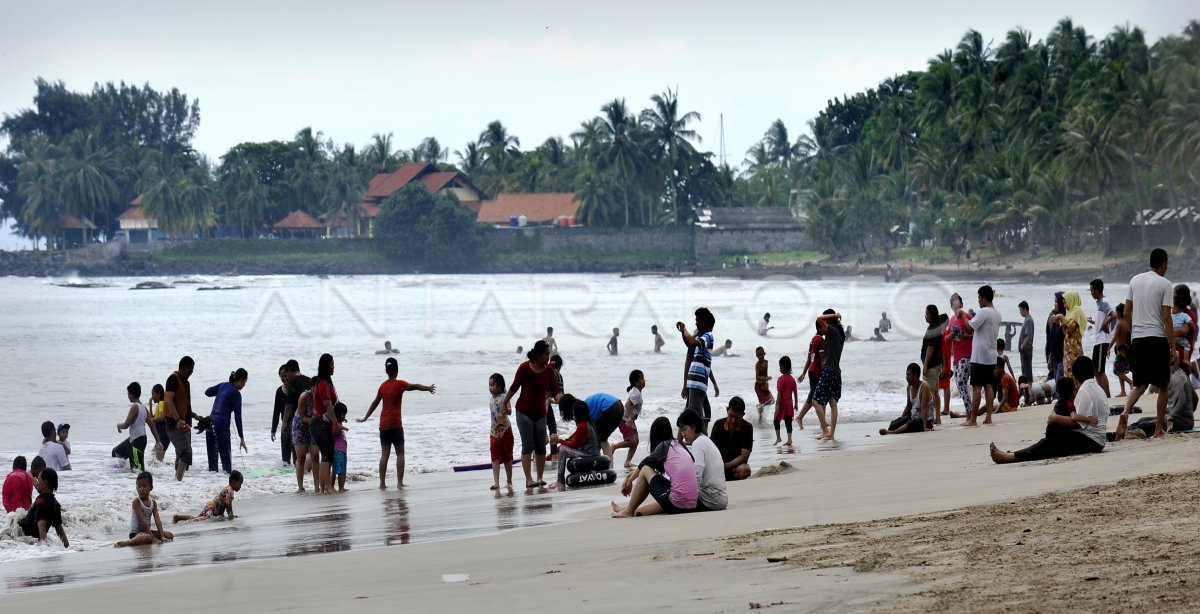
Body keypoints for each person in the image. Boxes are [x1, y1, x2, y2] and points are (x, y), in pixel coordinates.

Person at [990, 356, 1106, 463]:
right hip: (1097, 439)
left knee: (1047, 444)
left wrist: (1054, 418)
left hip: (1091, 440)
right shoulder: (1099, 389)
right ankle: (1014, 454)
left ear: (1076, 374)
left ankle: (1010, 457)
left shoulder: (1084, 391)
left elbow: (1078, 424)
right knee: (1050, 442)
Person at [1116, 248, 1175, 439]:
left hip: (1138, 340)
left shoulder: (1135, 280)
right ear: (1164, 264)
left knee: (1139, 385)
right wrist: (1172, 346)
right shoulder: (1166, 284)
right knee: (1163, 386)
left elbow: (1126, 313)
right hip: (1157, 339)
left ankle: (1125, 412)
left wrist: (1135, 333)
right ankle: (1158, 429)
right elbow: (1166, 317)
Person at [357, 357, 436, 490]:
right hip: (395, 424)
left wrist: (365, 417)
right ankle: (399, 483)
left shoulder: (382, 386)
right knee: (400, 453)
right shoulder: (400, 384)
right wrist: (428, 388)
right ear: (397, 370)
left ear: (386, 371)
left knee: (384, 454)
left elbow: (375, 403)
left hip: (383, 425)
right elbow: (416, 386)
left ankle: (382, 484)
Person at [501, 341, 563, 489]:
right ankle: (529, 479)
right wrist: (504, 403)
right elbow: (514, 387)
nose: (549, 357)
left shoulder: (548, 371)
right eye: (546, 354)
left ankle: (540, 477)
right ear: (539, 355)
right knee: (528, 445)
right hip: (523, 412)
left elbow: (556, 392)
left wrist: (565, 402)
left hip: (540, 413)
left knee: (541, 446)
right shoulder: (524, 368)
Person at [610, 416, 697, 518]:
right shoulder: (679, 444)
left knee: (646, 469)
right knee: (669, 490)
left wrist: (629, 481)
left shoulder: (664, 445)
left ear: (655, 435)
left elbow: (644, 465)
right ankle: (629, 508)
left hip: (677, 504)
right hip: (692, 503)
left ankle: (628, 511)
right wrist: (629, 476)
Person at [956, 285, 1001, 427]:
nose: (978, 300)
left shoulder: (983, 312)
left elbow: (970, 326)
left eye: (979, 298)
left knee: (976, 387)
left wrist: (963, 314)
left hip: (979, 355)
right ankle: (988, 417)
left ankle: (973, 419)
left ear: (984, 297)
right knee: (988, 386)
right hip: (991, 354)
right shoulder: (997, 313)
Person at [1126, 353, 1194, 437]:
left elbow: (1182, 400)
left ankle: (1130, 433)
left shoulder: (1178, 377)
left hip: (1183, 421)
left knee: (1149, 424)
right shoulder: (1178, 374)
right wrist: (1173, 410)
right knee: (1143, 419)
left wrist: (1172, 417)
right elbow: (1195, 398)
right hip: (1179, 417)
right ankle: (1125, 430)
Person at [677, 307, 719, 432]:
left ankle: (700, 443)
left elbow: (692, 342)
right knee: (690, 415)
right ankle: (680, 443)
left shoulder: (708, 336)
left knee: (695, 416)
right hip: (693, 382)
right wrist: (683, 332)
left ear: (705, 321)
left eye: (698, 320)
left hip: (697, 382)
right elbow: (689, 344)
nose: (696, 322)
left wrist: (685, 330)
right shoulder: (699, 341)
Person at [677, 409, 728, 511]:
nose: (683, 434)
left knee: (672, 494)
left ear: (694, 427)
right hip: (720, 497)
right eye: (681, 430)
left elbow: (696, 475)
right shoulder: (705, 440)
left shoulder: (698, 443)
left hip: (712, 497)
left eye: (685, 429)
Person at [204, 369, 249, 474]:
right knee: (226, 463)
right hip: (221, 423)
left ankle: (210, 484)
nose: (244, 385)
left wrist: (221, 390)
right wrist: (241, 437)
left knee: (212, 463)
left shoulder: (223, 385)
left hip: (209, 421)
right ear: (241, 380)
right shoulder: (237, 394)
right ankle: (226, 483)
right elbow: (238, 418)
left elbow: (207, 392)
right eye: (245, 382)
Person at [549, 399, 600, 490]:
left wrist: (559, 440)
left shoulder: (582, 425)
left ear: (578, 414)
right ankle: (560, 480)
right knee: (562, 447)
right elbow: (572, 438)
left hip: (590, 455)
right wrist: (559, 441)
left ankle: (560, 481)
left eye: (573, 413)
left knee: (562, 449)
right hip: (591, 453)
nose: (573, 416)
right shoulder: (587, 423)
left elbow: (574, 444)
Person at [811, 310, 846, 440]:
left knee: (815, 401)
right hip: (837, 372)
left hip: (829, 371)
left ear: (829, 321)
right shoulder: (840, 334)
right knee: (832, 403)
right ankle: (831, 434)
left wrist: (834, 316)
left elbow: (819, 317)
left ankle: (825, 430)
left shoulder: (832, 330)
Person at [114, 472, 173, 547]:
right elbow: (142, 521)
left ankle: (152, 536)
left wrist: (162, 536)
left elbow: (157, 521)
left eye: (144, 486)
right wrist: (153, 537)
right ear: (136, 488)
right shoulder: (136, 502)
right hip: (135, 534)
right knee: (147, 537)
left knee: (169, 535)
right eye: (139, 486)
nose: (141, 489)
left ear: (151, 488)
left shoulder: (153, 502)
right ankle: (127, 543)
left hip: (147, 531)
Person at [113, 381, 160, 471]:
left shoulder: (134, 407)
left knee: (137, 469)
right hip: (135, 440)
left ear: (131, 394)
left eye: (128, 394)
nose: (128, 396)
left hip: (138, 442)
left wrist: (119, 425)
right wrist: (158, 441)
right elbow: (152, 426)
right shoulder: (144, 408)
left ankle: (142, 480)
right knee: (116, 451)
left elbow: (126, 425)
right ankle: (119, 474)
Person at [310, 353, 340, 493]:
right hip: (320, 423)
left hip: (320, 423)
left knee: (327, 454)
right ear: (326, 366)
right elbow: (328, 405)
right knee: (327, 454)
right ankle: (328, 486)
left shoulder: (324, 383)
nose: (334, 367)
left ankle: (324, 487)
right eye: (332, 364)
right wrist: (336, 423)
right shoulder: (323, 384)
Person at [879, 363, 934, 435]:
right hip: (913, 417)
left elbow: (924, 408)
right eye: (906, 375)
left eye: (908, 375)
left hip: (925, 421)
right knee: (893, 425)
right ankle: (893, 430)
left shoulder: (924, 386)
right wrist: (901, 420)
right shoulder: (909, 387)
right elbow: (908, 406)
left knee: (911, 424)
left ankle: (892, 432)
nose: (906, 377)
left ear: (916, 375)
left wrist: (925, 427)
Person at [164, 356, 195, 481]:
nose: (192, 373)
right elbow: (169, 400)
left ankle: (176, 483)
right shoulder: (173, 379)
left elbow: (185, 404)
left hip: (184, 423)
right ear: (184, 368)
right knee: (186, 452)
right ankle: (178, 480)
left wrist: (194, 415)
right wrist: (177, 419)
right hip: (174, 423)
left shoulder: (185, 382)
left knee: (180, 454)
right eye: (190, 370)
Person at [288, 362, 317, 493]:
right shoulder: (304, 396)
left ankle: (317, 486)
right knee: (301, 458)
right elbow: (302, 417)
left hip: (312, 426)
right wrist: (316, 420)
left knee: (315, 456)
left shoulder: (322, 397)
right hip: (299, 425)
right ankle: (300, 487)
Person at [19, 468, 67, 547]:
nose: (37, 482)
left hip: (22, 538)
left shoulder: (41, 502)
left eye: (39, 479)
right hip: (27, 540)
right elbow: (59, 529)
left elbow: (42, 529)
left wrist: (43, 550)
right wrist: (67, 546)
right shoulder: (56, 504)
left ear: (45, 482)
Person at [173, 470, 243, 523]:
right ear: (234, 481)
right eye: (239, 484)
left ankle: (178, 517)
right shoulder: (229, 491)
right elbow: (228, 507)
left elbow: (224, 506)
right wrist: (231, 517)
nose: (240, 487)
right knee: (198, 520)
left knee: (197, 518)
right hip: (211, 508)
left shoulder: (229, 489)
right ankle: (178, 518)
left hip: (211, 506)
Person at [709, 397, 753, 480]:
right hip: (718, 466)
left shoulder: (747, 427)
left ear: (743, 415)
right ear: (727, 410)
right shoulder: (718, 424)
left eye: (737, 418)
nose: (733, 420)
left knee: (745, 470)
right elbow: (711, 450)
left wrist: (726, 466)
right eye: (731, 416)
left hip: (735, 467)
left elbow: (744, 456)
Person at [946, 293, 974, 418]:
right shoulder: (952, 319)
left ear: (962, 305)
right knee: (959, 384)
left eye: (958, 306)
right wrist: (950, 336)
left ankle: (970, 413)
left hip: (967, 355)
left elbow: (975, 334)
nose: (956, 309)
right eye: (954, 306)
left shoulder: (967, 316)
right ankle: (970, 409)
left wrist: (966, 336)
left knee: (962, 382)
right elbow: (946, 338)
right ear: (951, 307)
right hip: (956, 357)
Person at [611, 370, 644, 468]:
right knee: (632, 441)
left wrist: (631, 419)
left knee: (636, 441)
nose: (644, 380)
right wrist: (630, 418)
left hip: (629, 419)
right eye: (642, 378)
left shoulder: (637, 391)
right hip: (624, 419)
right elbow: (628, 404)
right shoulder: (636, 393)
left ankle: (627, 462)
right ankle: (614, 446)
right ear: (636, 382)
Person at [1088, 280, 1116, 397]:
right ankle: (1103, 395)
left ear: (1096, 290)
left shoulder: (1104, 303)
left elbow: (1114, 315)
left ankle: (1107, 396)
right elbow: (1104, 319)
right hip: (1099, 340)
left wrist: (1105, 325)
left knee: (1099, 370)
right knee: (1095, 370)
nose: (1091, 293)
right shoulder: (1099, 303)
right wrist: (1095, 322)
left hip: (1102, 340)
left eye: (1091, 290)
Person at [487, 373, 513, 491]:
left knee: (507, 457)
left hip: (505, 431)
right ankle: (496, 482)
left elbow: (510, 412)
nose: (490, 388)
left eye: (492, 385)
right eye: (489, 385)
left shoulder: (505, 396)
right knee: (494, 456)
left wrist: (506, 409)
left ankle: (509, 481)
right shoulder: (491, 400)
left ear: (499, 385)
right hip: (493, 432)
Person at [921, 305, 948, 422]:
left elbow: (930, 348)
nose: (925, 316)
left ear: (932, 315)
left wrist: (925, 364)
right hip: (937, 364)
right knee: (935, 392)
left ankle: (929, 418)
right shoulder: (936, 326)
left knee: (930, 393)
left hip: (932, 365)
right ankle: (937, 418)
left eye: (927, 313)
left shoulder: (933, 328)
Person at [796, 322, 824, 429]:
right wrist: (824, 373)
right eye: (824, 325)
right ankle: (800, 417)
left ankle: (822, 422)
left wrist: (803, 373)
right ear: (820, 327)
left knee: (817, 397)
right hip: (817, 372)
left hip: (811, 372)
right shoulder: (820, 340)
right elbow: (822, 359)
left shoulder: (813, 339)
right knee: (814, 397)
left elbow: (809, 358)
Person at [1057, 291, 1087, 380]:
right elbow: (1065, 332)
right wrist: (1061, 321)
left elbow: (1070, 329)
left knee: (1074, 374)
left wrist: (1062, 318)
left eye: (1066, 302)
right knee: (1068, 374)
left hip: (1074, 350)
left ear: (1072, 300)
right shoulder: (1069, 313)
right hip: (1068, 350)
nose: (1064, 304)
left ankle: (1077, 393)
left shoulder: (1077, 311)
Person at [270, 364, 294, 465]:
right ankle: (286, 479)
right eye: (282, 376)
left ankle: (301, 477)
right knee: (285, 458)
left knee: (297, 456)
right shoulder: (279, 391)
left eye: (286, 375)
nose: (284, 378)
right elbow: (276, 411)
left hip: (296, 425)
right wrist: (273, 430)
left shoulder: (294, 389)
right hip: (284, 425)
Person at [774, 356, 797, 447]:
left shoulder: (781, 379)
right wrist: (796, 404)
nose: (779, 368)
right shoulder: (792, 379)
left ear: (782, 367)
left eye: (780, 366)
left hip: (782, 404)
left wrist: (777, 404)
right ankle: (789, 439)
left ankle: (778, 437)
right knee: (788, 422)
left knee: (776, 420)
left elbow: (779, 393)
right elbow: (795, 392)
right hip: (790, 404)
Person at [1111, 303, 1133, 397]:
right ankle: (1123, 391)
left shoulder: (1120, 324)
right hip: (1125, 349)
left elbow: (1115, 337)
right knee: (1121, 370)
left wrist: (1108, 348)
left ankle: (1130, 382)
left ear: (1119, 313)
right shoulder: (1127, 322)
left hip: (1121, 350)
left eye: (1116, 311)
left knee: (1116, 371)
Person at [1171, 286, 1195, 367]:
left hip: (1182, 356)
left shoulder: (1188, 314)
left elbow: (1181, 331)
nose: (1172, 296)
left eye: (1174, 293)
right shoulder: (1174, 313)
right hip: (1174, 354)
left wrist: (1165, 331)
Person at [1046, 293, 1066, 380]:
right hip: (1056, 356)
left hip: (1064, 357)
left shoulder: (1067, 317)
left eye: (1056, 301)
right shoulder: (1053, 317)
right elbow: (1051, 339)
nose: (1055, 304)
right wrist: (1050, 357)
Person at [148, 383, 169, 461]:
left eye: (153, 394)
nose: (152, 396)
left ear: (159, 394)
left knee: (153, 460)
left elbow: (161, 418)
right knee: (158, 461)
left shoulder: (161, 403)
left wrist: (149, 420)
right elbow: (153, 418)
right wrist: (150, 406)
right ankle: (162, 473)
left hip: (163, 435)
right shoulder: (160, 404)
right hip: (164, 436)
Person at [753, 346, 774, 420]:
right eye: (758, 355)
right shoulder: (757, 365)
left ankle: (760, 406)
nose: (760, 356)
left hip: (764, 386)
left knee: (772, 401)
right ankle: (760, 420)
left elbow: (765, 373)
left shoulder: (766, 362)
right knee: (764, 403)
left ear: (764, 353)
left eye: (761, 354)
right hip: (758, 387)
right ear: (756, 356)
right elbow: (757, 377)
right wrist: (766, 378)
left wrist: (766, 383)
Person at [332, 403, 349, 492]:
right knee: (339, 469)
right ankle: (339, 487)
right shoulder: (335, 424)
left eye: (344, 414)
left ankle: (341, 486)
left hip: (342, 450)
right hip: (338, 449)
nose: (343, 416)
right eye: (342, 414)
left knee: (342, 468)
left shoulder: (339, 423)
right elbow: (334, 433)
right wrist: (341, 427)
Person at [1017, 301, 1035, 384]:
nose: (1020, 312)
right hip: (1024, 350)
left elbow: (1029, 335)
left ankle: (1028, 389)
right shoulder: (1026, 319)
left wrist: (1022, 346)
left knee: (1026, 371)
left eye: (1020, 310)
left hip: (1026, 350)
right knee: (1024, 370)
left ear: (1025, 309)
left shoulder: (1029, 320)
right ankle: (1027, 389)